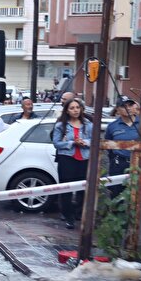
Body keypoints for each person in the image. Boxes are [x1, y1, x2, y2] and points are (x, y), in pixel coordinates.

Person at [103, 97, 141, 240]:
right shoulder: (113, 126)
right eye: (123, 105)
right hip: (120, 164)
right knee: (117, 196)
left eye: (130, 104)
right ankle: (117, 229)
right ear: (118, 109)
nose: (127, 107)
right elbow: (108, 145)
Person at [51, 98, 94, 230]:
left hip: (84, 159)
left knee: (83, 189)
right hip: (67, 159)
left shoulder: (88, 124)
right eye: (72, 108)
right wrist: (72, 143)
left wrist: (85, 142)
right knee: (66, 190)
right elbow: (56, 143)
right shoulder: (61, 125)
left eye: (77, 107)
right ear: (67, 111)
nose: (75, 110)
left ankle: (78, 214)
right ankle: (68, 216)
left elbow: (95, 140)